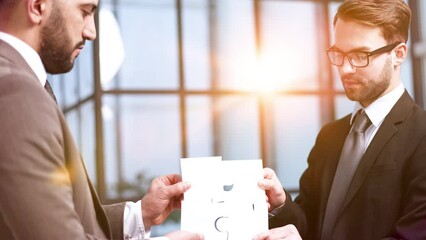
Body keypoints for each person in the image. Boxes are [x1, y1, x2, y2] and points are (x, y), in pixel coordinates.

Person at [0, 0, 204, 239]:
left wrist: (139, 215)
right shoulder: (14, 90)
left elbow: (50, 217)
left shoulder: (20, 82)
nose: (91, 32)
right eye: (84, 12)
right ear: (37, 6)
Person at [257, 0, 426, 239]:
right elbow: (308, 224)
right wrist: (281, 203)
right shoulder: (330, 136)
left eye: (360, 55)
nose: (345, 69)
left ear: (398, 54)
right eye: (339, 54)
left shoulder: (421, 136)